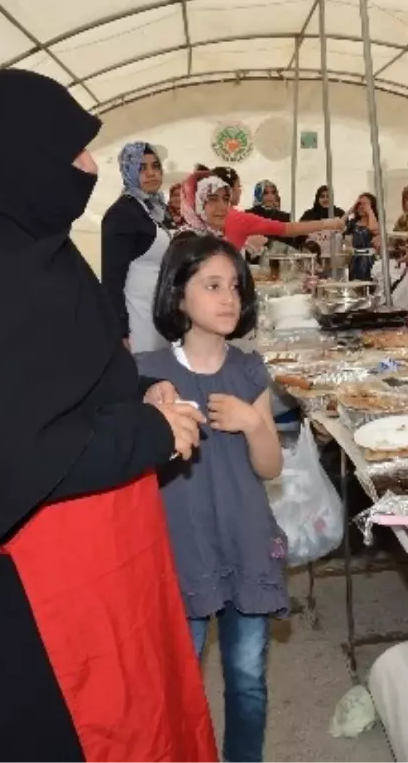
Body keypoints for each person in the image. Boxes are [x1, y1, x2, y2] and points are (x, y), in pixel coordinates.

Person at [0, 68, 215, 763]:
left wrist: (138, 393)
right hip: (40, 600)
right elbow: (18, 450)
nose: (90, 165)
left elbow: (61, 376)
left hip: (98, 566)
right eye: (73, 149)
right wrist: (152, 431)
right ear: (16, 154)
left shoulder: (30, 254)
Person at [136, 235, 284, 763]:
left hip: (245, 544)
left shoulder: (249, 370)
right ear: (178, 296)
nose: (229, 299)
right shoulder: (147, 372)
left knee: (247, 682)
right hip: (184, 553)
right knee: (181, 682)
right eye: (213, 286)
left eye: (237, 288)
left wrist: (253, 425)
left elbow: (270, 467)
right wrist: (149, 410)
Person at [101, 141, 172, 352]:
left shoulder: (156, 209)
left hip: (160, 316)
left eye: (155, 166)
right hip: (137, 323)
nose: (151, 173)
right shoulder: (121, 214)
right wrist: (121, 332)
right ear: (128, 171)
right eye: (141, 168)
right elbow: (112, 281)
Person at [346, 192, 380, 280]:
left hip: (370, 260)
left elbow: (373, 228)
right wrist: (351, 210)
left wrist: (369, 211)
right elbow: (339, 225)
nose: (361, 207)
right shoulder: (353, 223)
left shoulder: (376, 222)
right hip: (355, 259)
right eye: (359, 204)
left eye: (365, 204)